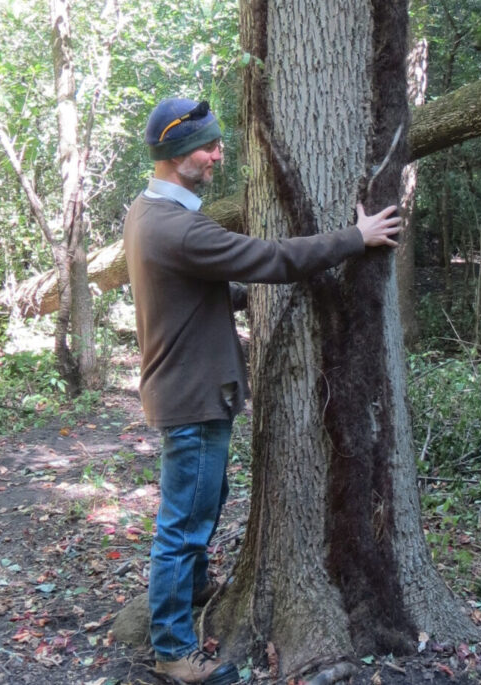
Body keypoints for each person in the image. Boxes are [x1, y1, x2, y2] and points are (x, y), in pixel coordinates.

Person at [123, 97, 401, 685]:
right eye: (208, 146)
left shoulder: (147, 213)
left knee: (203, 502)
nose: (219, 154)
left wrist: (240, 296)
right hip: (195, 398)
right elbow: (270, 257)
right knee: (182, 526)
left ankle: (194, 590)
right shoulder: (177, 228)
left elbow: (193, 293)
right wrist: (357, 237)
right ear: (175, 155)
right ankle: (174, 650)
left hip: (189, 391)